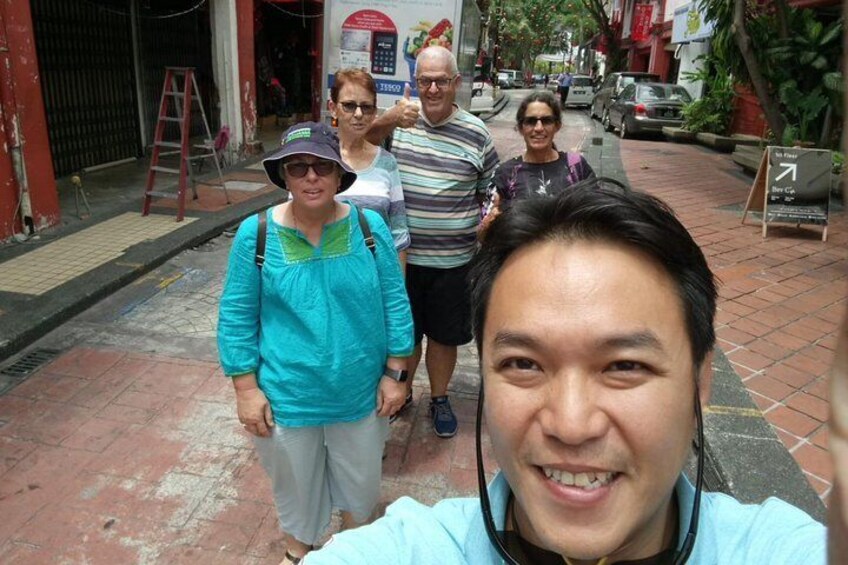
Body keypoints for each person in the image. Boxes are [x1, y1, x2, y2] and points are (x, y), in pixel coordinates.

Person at [304, 180, 827, 564]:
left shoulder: (779, 549)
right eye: (523, 364)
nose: (571, 425)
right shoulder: (409, 550)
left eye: (624, 365)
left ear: (700, 381)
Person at [217, 121, 413, 565]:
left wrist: (397, 374)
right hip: (289, 395)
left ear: (339, 174)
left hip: (360, 392)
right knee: (294, 483)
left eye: (322, 166)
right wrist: (245, 390)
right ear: (283, 175)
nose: (311, 177)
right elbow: (236, 316)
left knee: (360, 485)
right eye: (298, 167)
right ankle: (298, 550)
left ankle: (354, 549)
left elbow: (395, 303)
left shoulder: (370, 227)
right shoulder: (257, 233)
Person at [367, 46, 499, 438]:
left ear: (457, 83)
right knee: (404, 333)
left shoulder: (477, 132)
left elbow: (489, 190)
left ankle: (439, 398)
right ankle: (403, 392)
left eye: (442, 80)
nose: (433, 88)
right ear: (416, 82)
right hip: (401, 259)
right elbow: (356, 147)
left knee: (443, 337)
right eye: (425, 80)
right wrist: (388, 119)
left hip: (455, 261)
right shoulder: (398, 124)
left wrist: (489, 221)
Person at [327, 68, 410, 262]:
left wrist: (398, 291)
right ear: (333, 107)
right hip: (325, 279)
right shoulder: (318, 159)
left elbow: (399, 235)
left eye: (366, 107)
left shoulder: (386, 163)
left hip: (375, 278)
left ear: (374, 111)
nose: (358, 114)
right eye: (349, 105)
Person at [482, 91, 595, 224]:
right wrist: (489, 223)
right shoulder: (505, 173)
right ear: (520, 127)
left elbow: (598, 218)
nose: (539, 128)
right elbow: (482, 236)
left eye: (547, 121)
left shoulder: (576, 166)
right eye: (530, 121)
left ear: (557, 126)